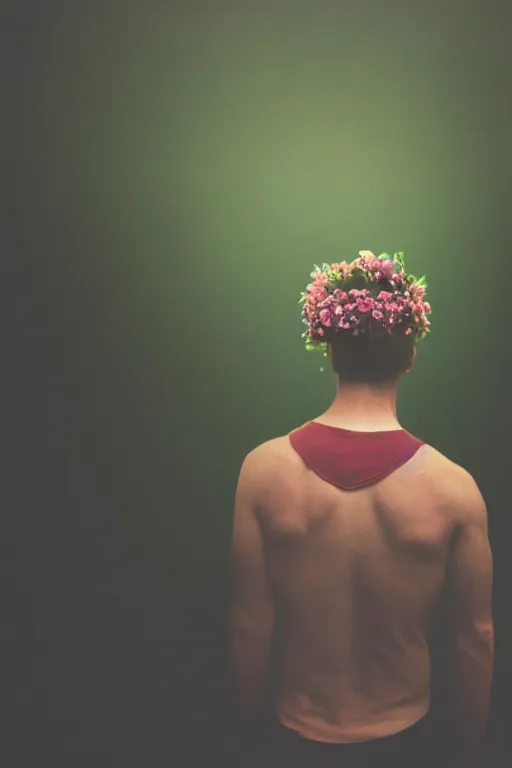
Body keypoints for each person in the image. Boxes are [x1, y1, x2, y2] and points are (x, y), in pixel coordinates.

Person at [230, 251, 494, 767]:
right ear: (410, 355)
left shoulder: (262, 472)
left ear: (328, 346)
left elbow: (248, 624)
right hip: (406, 741)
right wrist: (468, 751)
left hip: (294, 738)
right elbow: (476, 638)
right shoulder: (452, 488)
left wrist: (246, 745)